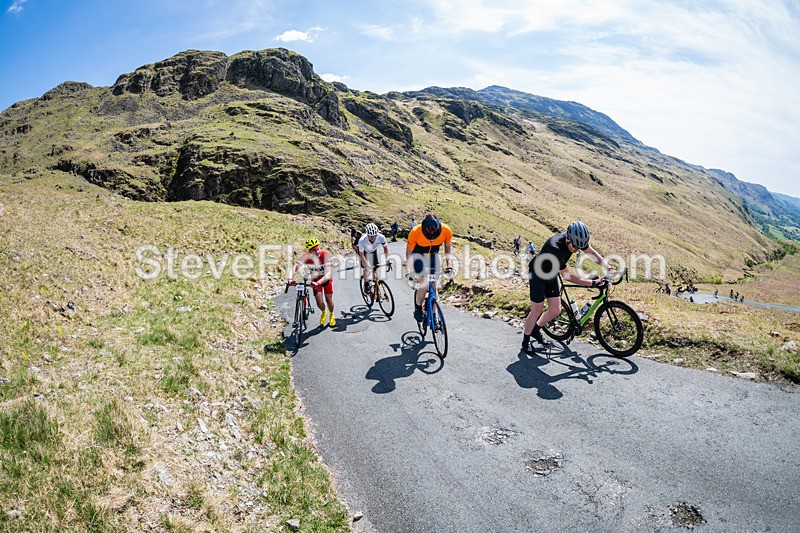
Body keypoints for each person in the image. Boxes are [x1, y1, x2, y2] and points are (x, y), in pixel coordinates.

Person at [522, 220, 613, 354]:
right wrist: (593, 283)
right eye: (575, 247)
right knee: (537, 309)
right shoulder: (555, 248)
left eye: (579, 248)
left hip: (551, 273)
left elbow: (591, 252)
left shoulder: (576, 239)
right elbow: (568, 277)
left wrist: (608, 268)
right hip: (537, 274)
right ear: (568, 239)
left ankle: (536, 330)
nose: (577, 250)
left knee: (555, 310)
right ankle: (525, 341)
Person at [405, 214, 453, 322]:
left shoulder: (446, 231)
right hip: (418, 255)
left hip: (433, 255)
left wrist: (449, 265)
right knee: (424, 285)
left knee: (434, 285)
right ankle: (418, 309)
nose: (431, 239)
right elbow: (408, 252)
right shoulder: (415, 232)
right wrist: (412, 271)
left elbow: (448, 247)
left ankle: (434, 315)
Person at [289, 237, 336, 327]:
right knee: (319, 303)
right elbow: (296, 266)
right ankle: (323, 312)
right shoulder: (306, 257)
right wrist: (290, 278)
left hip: (325, 280)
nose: (317, 251)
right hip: (315, 280)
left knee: (328, 300)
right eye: (315, 250)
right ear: (310, 251)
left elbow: (328, 274)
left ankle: (331, 314)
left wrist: (319, 282)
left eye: (318, 248)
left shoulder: (326, 255)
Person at [358, 223, 391, 291]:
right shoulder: (362, 240)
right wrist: (366, 265)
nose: (374, 238)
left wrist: (388, 261)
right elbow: (361, 254)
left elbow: (386, 249)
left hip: (373, 251)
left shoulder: (381, 237)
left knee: (375, 269)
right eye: (371, 236)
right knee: (367, 269)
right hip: (364, 253)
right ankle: (366, 283)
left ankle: (374, 284)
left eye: (375, 235)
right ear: (367, 235)